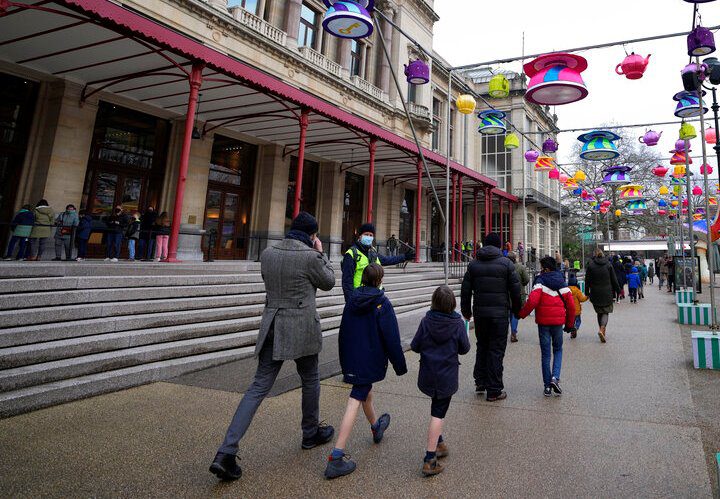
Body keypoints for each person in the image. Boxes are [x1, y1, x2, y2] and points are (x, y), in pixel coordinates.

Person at [211, 212, 336, 481]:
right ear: (312, 235)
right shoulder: (310, 256)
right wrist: (322, 254)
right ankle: (310, 432)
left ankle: (226, 450)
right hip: (301, 326)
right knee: (310, 378)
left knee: (258, 387)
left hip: (273, 325)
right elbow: (328, 282)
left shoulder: (268, 253)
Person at [325, 264, 407, 479]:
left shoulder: (352, 300)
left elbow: (344, 331)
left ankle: (375, 426)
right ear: (379, 280)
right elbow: (391, 337)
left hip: (352, 356)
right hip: (369, 358)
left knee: (365, 392)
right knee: (356, 397)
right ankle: (336, 456)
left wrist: (345, 360)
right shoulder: (382, 303)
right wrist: (400, 365)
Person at [410, 285, 470, 477]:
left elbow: (415, 346)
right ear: (452, 303)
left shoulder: (426, 321)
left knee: (437, 408)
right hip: (446, 376)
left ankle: (439, 441)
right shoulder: (457, 323)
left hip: (428, 373)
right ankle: (430, 458)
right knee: (438, 413)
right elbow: (465, 348)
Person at [460, 232, 521, 402]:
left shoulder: (473, 265)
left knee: (483, 346)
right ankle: (494, 389)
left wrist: (466, 311)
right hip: (499, 314)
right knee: (496, 349)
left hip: (480, 313)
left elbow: (465, 291)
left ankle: (480, 381)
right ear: (499, 246)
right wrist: (517, 310)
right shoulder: (507, 264)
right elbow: (515, 291)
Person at [518, 256, 575, 397]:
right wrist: (569, 325)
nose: (540, 270)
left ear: (546, 268)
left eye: (542, 267)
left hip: (543, 323)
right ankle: (555, 378)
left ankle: (547, 386)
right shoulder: (562, 282)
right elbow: (571, 306)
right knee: (558, 350)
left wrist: (521, 314)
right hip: (558, 323)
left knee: (545, 354)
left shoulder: (540, 281)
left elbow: (532, 302)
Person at [341, 223, 412, 301]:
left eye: (371, 235)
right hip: (360, 297)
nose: (369, 237)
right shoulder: (351, 254)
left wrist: (404, 257)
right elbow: (347, 282)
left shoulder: (372, 251)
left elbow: (386, 260)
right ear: (360, 236)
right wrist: (350, 302)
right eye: (366, 234)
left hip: (377, 295)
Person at [584, 249, 620, 343]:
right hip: (607, 292)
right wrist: (618, 290)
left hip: (595, 292)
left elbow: (587, 280)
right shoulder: (608, 264)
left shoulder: (591, 266)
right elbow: (614, 279)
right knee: (606, 311)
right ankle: (602, 329)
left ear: (595, 255)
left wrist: (587, 292)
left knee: (599, 312)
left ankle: (601, 330)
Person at [507, 251, 530, 343]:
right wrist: (522, 285)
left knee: (508, 313)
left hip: (506, 294)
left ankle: (507, 331)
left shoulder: (505, 268)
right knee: (515, 313)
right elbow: (527, 279)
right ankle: (513, 331)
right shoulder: (520, 267)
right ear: (515, 258)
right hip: (518, 294)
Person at [567, 273, 588, 339]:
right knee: (578, 321)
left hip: (569, 310)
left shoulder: (567, 290)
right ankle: (576, 328)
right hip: (577, 311)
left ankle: (572, 332)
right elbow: (582, 299)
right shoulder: (577, 290)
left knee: (571, 322)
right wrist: (587, 297)